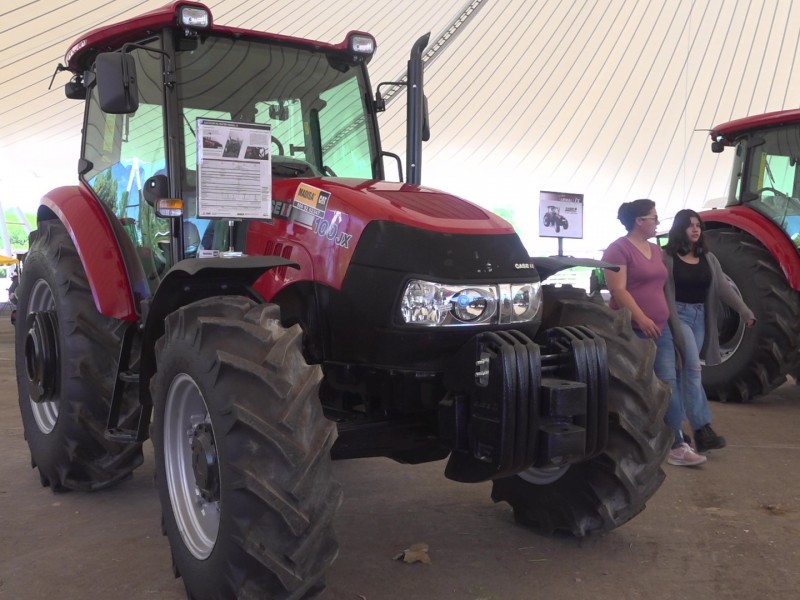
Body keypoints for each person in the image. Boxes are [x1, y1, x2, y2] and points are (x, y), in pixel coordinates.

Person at [602, 199, 706, 467]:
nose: (657, 222)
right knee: (634, 386)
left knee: (668, 384)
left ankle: (676, 443)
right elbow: (618, 290)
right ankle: (630, 440)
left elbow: (662, 288)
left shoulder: (655, 250)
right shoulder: (618, 249)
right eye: (653, 218)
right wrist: (641, 317)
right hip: (634, 328)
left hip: (661, 327)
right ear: (639, 221)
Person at [663, 209, 755, 452]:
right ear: (680, 229)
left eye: (698, 226)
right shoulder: (667, 257)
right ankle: (703, 429)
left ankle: (676, 431)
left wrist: (744, 311)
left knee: (686, 374)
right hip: (678, 317)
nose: (695, 229)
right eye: (690, 225)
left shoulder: (708, 258)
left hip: (700, 318)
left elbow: (723, 288)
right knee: (693, 369)